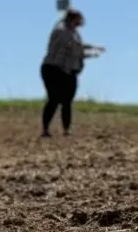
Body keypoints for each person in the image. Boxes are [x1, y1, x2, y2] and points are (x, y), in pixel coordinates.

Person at [40, 9, 103, 137]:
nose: (81, 22)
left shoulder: (73, 31)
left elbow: (79, 45)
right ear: (73, 19)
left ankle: (66, 130)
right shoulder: (62, 30)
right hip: (54, 68)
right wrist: (93, 54)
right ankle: (45, 129)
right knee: (54, 98)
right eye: (79, 19)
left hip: (68, 70)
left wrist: (93, 47)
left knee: (67, 100)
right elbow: (76, 50)